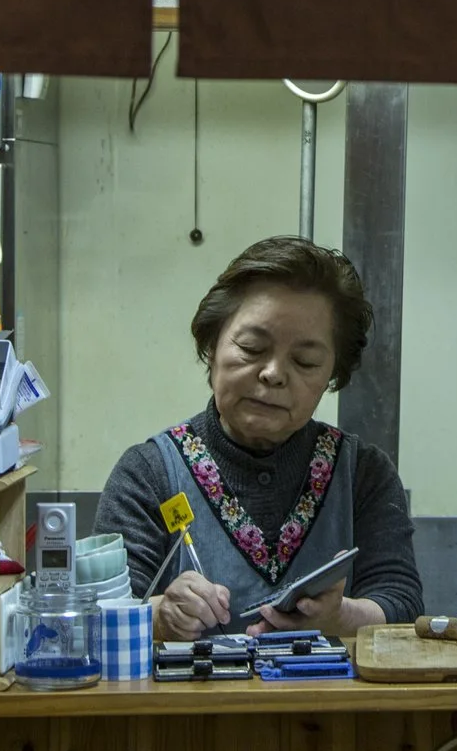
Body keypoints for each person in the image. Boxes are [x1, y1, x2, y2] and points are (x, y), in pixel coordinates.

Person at [95, 236, 422, 641]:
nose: (273, 373)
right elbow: (98, 618)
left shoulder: (362, 474)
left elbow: (402, 604)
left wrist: (342, 618)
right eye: (251, 348)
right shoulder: (149, 473)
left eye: (305, 361)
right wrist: (162, 615)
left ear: (332, 376)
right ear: (211, 347)